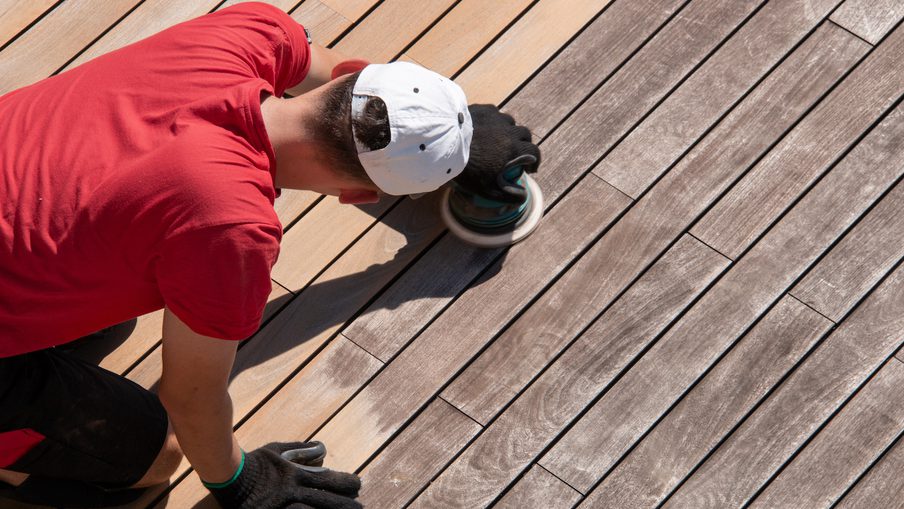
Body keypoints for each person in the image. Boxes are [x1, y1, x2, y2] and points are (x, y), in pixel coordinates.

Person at [0, 2, 539, 508]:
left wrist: (447, 129)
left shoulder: (248, 32)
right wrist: (242, 481)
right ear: (359, 197)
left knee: (105, 326)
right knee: (155, 457)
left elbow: (346, 88)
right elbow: (191, 400)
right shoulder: (229, 228)